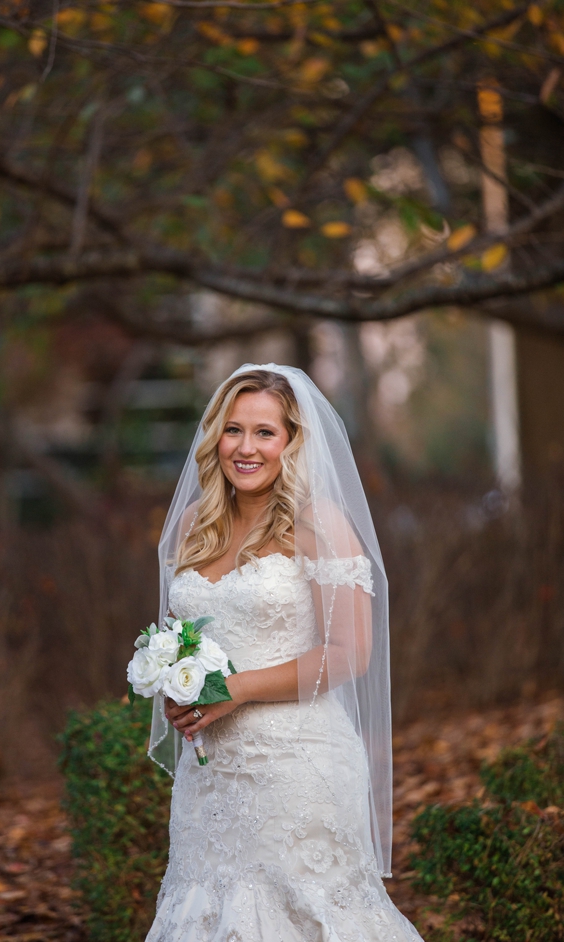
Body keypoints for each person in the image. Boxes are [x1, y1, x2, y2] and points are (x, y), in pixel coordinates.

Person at [145, 364, 420, 940]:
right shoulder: (194, 527)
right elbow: (182, 636)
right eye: (234, 430)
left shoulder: (318, 524)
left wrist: (233, 690)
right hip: (210, 777)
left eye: (265, 432)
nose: (246, 448)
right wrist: (179, 686)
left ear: (293, 441)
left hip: (297, 768)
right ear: (215, 437)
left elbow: (348, 654)